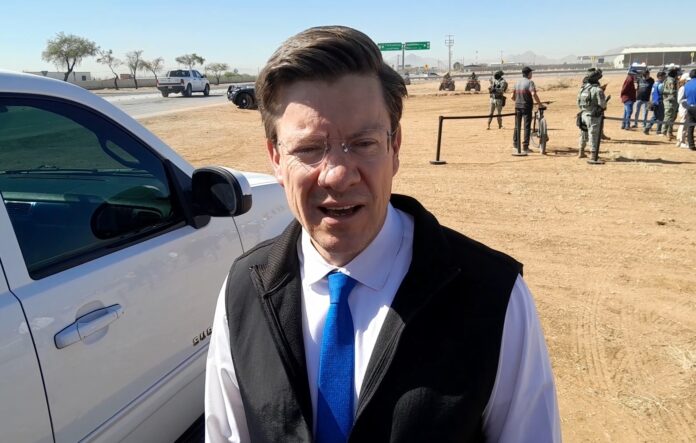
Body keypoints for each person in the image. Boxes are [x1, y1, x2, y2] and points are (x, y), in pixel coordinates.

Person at [204, 25, 561, 443]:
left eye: (363, 143)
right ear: (275, 159)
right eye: (309, 149)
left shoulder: (493, 296)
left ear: (395, 148)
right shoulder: (244, 291)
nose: (337, 175)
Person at [512, 66, 544, 154]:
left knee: (517, 126)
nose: (531, 74)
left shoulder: (517, 82)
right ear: (529, 74)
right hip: (526, 107)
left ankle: (515, 144)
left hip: (517, 106)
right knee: (526, 127)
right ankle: (525, 147)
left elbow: (512, 97)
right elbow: (533, 94)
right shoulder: (530, 82)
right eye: (531, 73)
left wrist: (519, 100)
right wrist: (540, 104)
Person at [577, 68, 607, 162]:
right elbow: (603, 104)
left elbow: (578, 102)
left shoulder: (583, 89)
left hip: (583, 114)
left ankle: (581, 152)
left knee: (583, 134)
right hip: (592, 116)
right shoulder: (597, 90)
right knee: (593, 134)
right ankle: (593, 155)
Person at [661, 66, 680, 141]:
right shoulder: (671, 81)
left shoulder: (670, 79)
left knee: (672, 118)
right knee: (668, 117)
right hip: (670, 101)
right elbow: (672, 91)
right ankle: (664, 132)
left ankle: (669, 132)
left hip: (672, 101)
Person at [676, 72, 690, 148]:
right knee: (683, 125)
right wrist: (688, 101)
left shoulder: (685, 88)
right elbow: (679, 100)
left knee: (684, 126)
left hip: (686, 109)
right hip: (684, 109)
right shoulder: (683, 88)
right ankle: (681, 141)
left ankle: (680, 140)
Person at [683, 69, 696, 150]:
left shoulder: (687, 84)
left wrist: (687, 106)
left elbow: (684, 97)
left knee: (690, 127)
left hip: (690, 107)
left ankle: (691, 145)